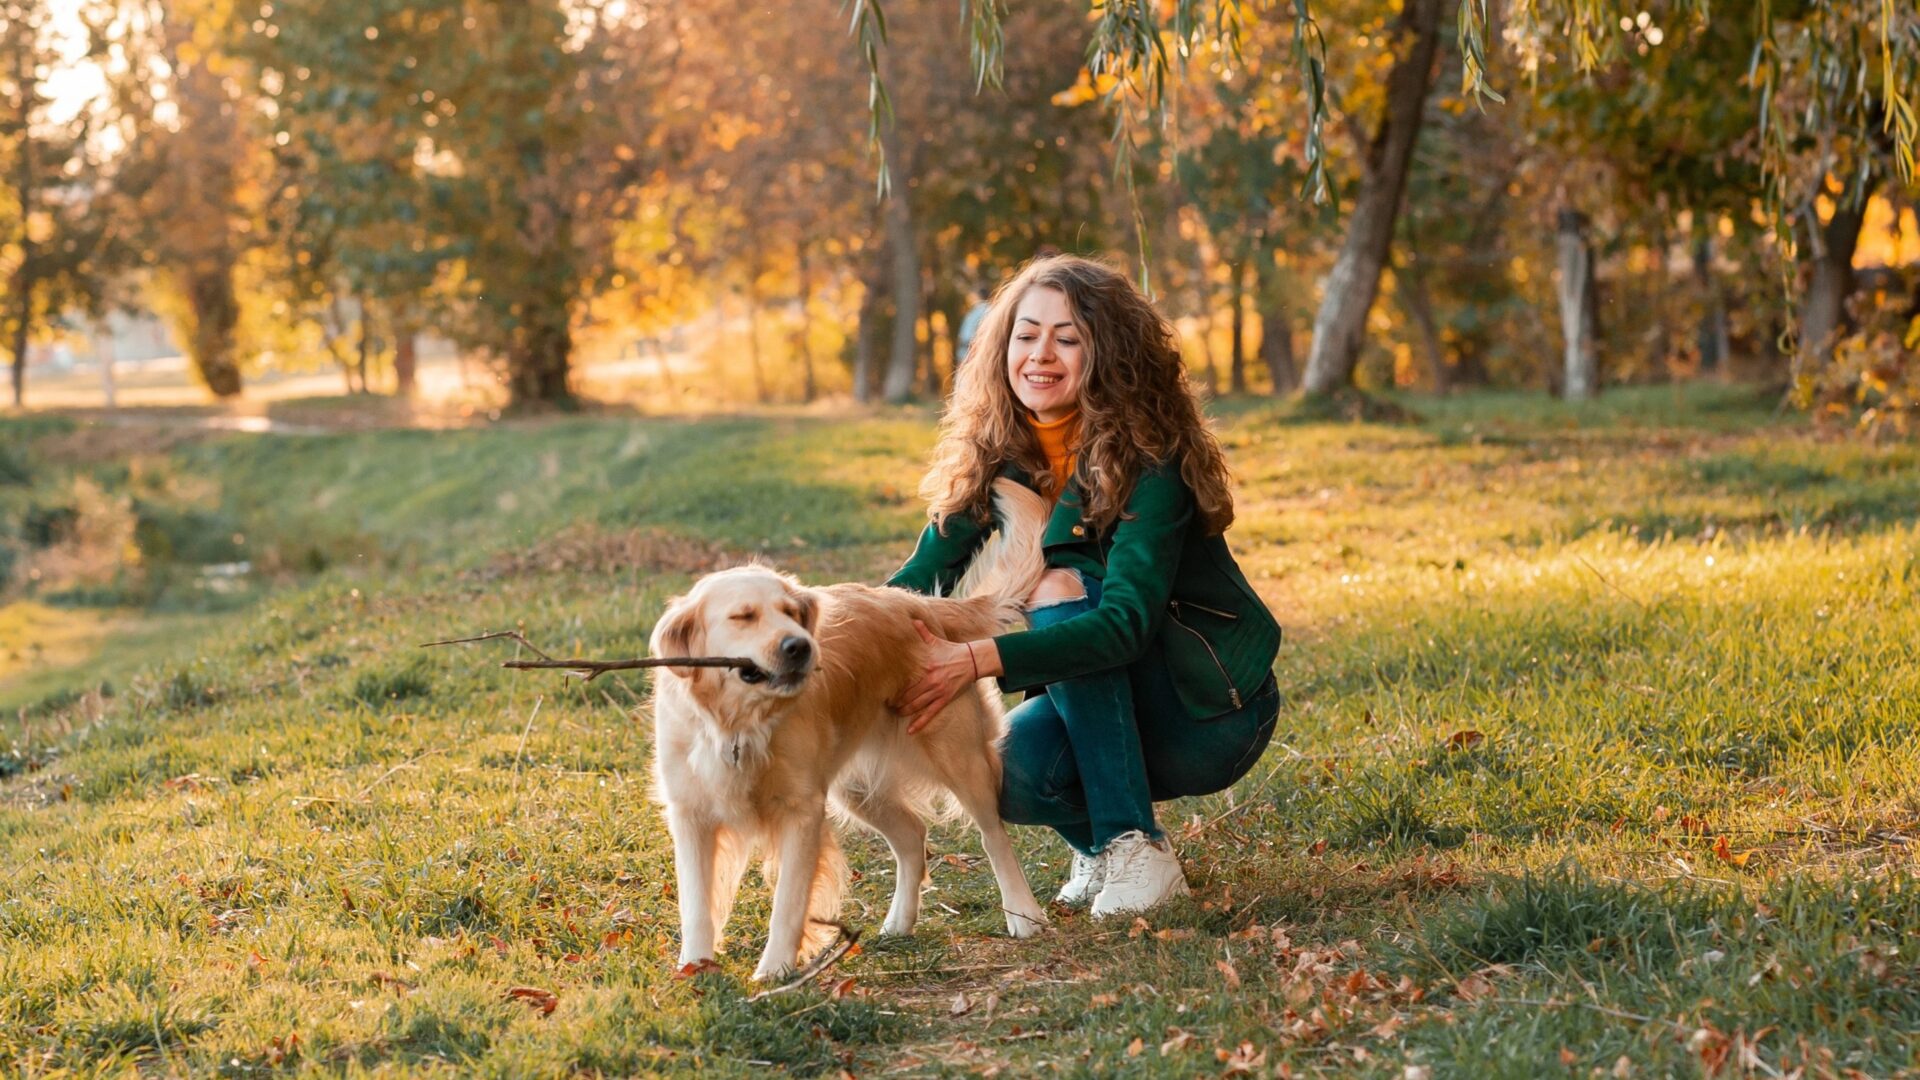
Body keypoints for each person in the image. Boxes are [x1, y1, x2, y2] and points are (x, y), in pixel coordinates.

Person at [886, 254, 1282, 917]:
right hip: (1106, 708)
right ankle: (1103, 850)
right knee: (1007, 775)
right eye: (1026, 333)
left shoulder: (1152, 464)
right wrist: (828, 634)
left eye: (1068, 337)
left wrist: (980, 657)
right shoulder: (1002, 453)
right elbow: (914, 583)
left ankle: (1135, 847)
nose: (1040, 353)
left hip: (1207, 712)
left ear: (1109, 354)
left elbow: (1124, 623)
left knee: (1056, 582)